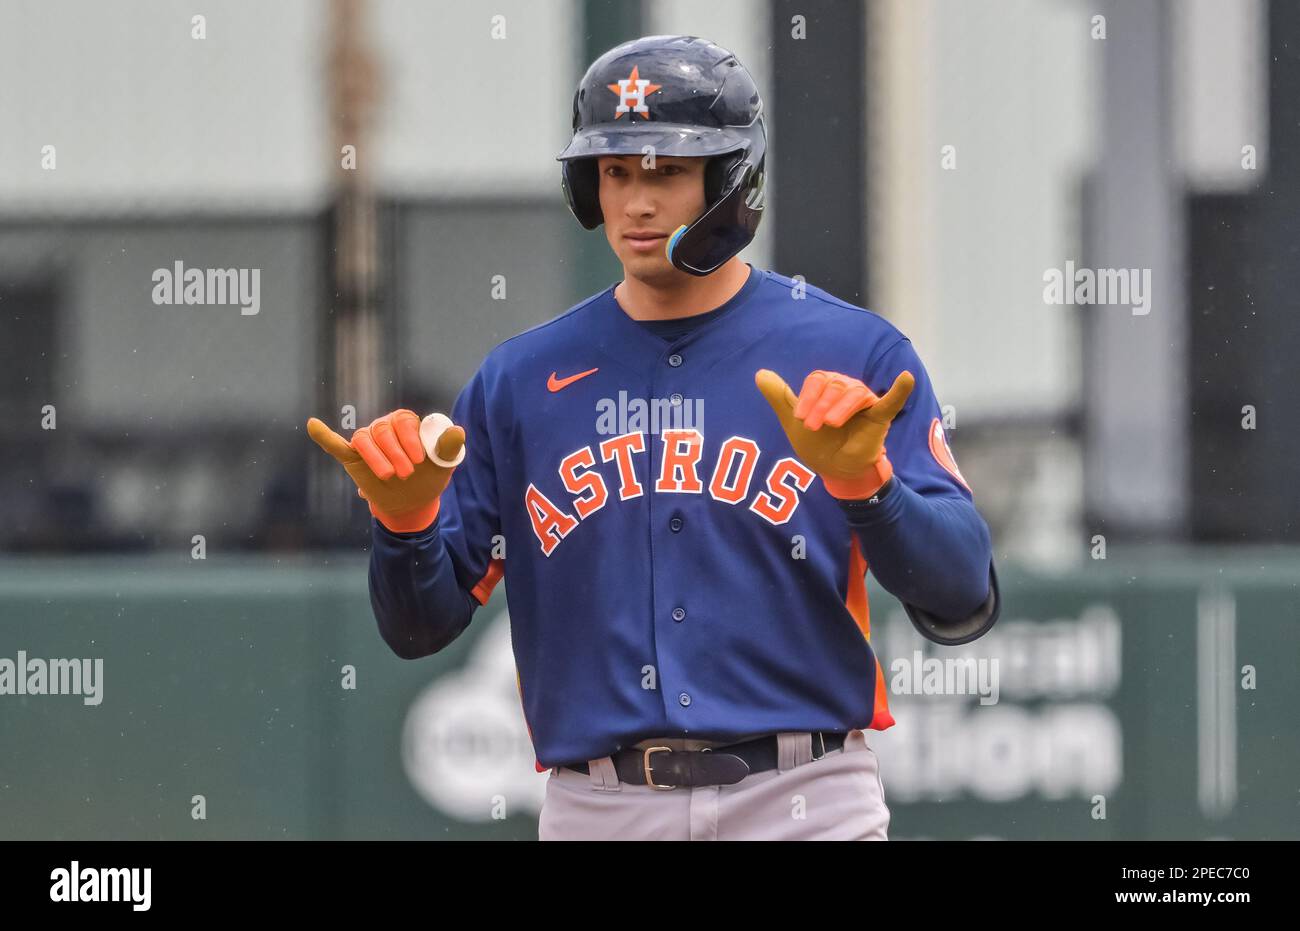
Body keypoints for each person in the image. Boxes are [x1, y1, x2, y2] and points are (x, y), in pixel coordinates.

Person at [307, 34, 999, 841]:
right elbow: (417, 626)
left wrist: (871, 489)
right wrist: (404, 523)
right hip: (601, 808)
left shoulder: (855, 354)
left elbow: (962, 593)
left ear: (732, 177)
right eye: (615, 170)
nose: (636, 202)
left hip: (804, 801)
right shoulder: (520, 380)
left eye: (667, 170)